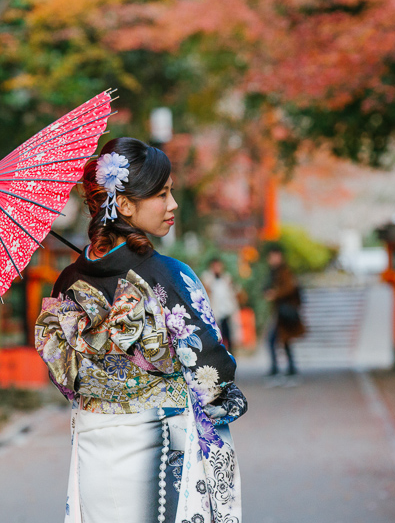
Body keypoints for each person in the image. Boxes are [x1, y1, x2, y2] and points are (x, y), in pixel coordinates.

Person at [34, 137, 247, 523]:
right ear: (126, 204)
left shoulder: (66, 282)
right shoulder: (167, 275)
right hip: (162, 442)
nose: (173, 205)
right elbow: (211, 371)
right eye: (162, 194)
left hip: (94, 445)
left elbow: (66, 379)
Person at [264, 245, 304, 378]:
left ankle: (281, 368)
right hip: (279, 312)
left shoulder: (284, 271)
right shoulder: (274, 271)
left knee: (277, 340)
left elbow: (289, 288)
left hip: (284, 311)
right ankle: (288, 368)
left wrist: (275, 294)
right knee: (282, 340)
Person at [200, 257, 240, 349]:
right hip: (214, 311)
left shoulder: (226, 278)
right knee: (217, 335)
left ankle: (230, 353)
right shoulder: (207, 278)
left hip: (226, 310)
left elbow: (233, 292)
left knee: (228, 334)